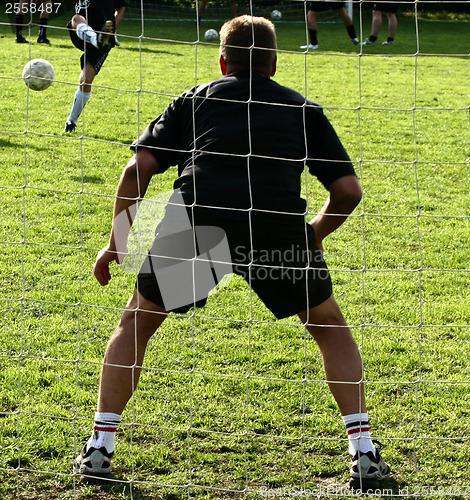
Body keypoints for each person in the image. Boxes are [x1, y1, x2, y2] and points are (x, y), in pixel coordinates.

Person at [73, 15, 391, 489]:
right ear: (276, 64)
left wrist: (118, 243)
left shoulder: (194, 100)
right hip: (277, 231)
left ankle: (100, 448)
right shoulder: (303, 109)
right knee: (328, 328)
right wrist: (312, 236)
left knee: (136, 323)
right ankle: (363, 453)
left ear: (223, 61)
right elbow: (348, 191)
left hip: (201, 225)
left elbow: (135, 170)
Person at [62, 0, 116, 133]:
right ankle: (95, 39)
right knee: (76, 18)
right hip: (81, 30)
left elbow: (120, 9)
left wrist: (112, 33)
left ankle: (71, 122)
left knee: (86, 79)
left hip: (104, 39)